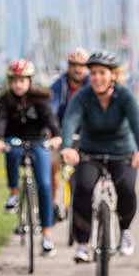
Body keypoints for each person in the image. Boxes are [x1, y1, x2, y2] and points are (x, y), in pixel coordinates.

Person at [59, 51, 139, 263]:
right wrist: (67, 148)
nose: (97, 78)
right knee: (81, 187)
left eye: (102, 73)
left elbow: (137, 125)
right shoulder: (83, 96)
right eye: (93, 73)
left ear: (113, 76)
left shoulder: (125, 96)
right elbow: (70, 121)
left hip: (122, 152)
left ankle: (125, 231)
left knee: (126, 188)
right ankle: (83, 243)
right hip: (90, 151)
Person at [0, 59, 62, 257]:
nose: (18, 84)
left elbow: (50, 119)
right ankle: (13, 194)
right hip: (14, 140)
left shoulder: (40, 98)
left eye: (22, 80)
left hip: (38, 141)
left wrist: (56, 136)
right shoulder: (5, 100)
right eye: (14, 80)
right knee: (12, 152)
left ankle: (47, 235)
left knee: (45, 185)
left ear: (29, 81)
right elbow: (0, 121)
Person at [49, 48, 90, 214]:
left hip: (87, 134)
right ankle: (52, 205)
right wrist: (53, 133)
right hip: (60, 133)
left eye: (81, 65)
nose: (77, 69)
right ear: (68, 66)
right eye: (73, 65)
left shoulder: (93, 84)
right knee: (52, 164)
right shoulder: (59, 85)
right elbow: (51, 110)